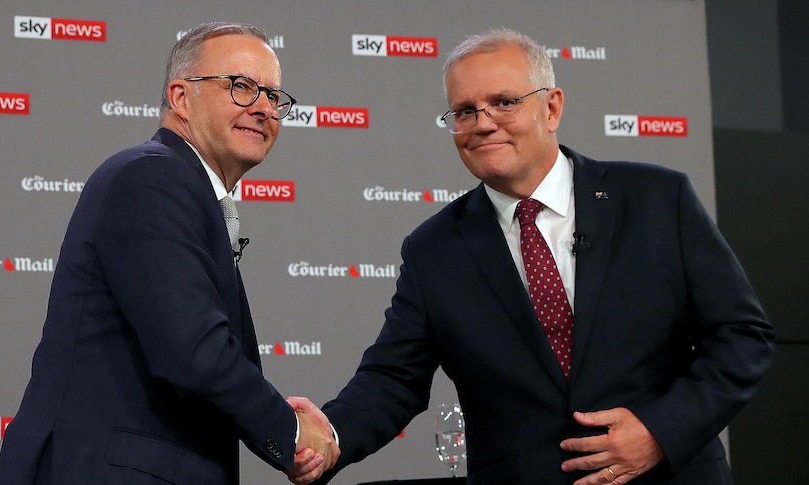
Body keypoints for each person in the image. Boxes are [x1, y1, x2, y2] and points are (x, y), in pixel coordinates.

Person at [291, 29, 775, 484]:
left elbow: (741, 337)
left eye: (503, 103)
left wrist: (659, 431)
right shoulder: (433, 249)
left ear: (552, 107)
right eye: (463, 111)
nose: (482, 124)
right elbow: (393, 378)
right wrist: (330, 437)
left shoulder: (654, 198)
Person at [0, 22, 337, 485]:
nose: (262, 108)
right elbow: (194, 352)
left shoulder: (180, 186)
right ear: (180, 98)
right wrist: (291, 431)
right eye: (240, 87)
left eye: (273, 96)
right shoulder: (154, 179)